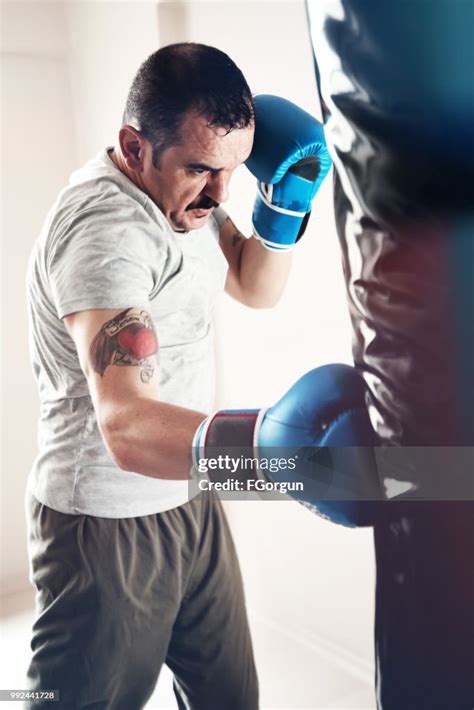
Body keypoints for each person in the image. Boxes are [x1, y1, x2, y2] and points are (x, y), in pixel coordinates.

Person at [25, 43, 331, 709]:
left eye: (233, 170)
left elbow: (254, 285)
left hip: (191, 490)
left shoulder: (188, 193)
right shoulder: (107, 235)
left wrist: (283, 210)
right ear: (133, 147)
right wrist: (274, 450)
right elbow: (128, 426)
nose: (221, 194)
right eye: (201, 169)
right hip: (106, 522)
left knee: (229, 700)